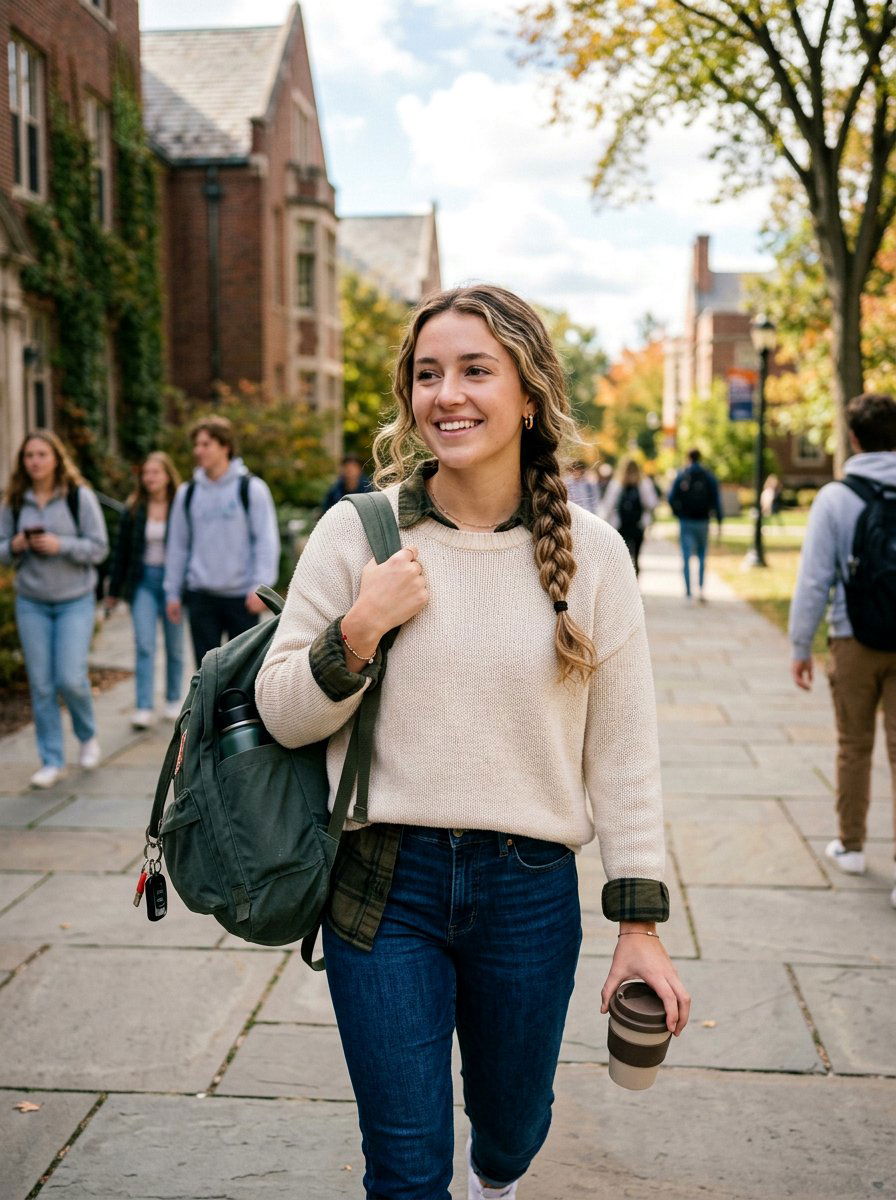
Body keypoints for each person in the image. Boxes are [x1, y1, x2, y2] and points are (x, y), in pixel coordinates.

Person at [256, 284, 689, 1200]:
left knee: (511, 1129)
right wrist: (359, 631)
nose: (445, 393)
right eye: (427, 374)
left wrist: (640, 925)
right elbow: (284, 711)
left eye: (474, 370)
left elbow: (624, 755)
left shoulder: (596, 555)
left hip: (528, 894)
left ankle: (499, 1180)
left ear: (528, 394)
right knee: (407, 1167)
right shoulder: (358, 532)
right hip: (382, 891)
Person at [789, 393, 896, 909]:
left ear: (853, 437)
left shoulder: (837, 497)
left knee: (854, 745)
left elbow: (815, 581)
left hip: (854, 638)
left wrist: (800, 645)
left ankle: (851, 846)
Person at [0, 430, 108, 788]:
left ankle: (87, 735)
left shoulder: (79, 497)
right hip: (31, 601)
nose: (35, 461)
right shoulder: (15, 501)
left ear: (56, 458)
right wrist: (15, 545)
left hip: (74, 599)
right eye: (29, 455)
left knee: (70, 678)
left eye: (42, 454)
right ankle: (51, 760)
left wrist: (60, 545)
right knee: (42, 684)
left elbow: (98, 548)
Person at [164, 416, 280, 667]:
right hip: (201, 596)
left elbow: (266, 541)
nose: (198, 451)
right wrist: (172, 591)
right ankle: (207, 710)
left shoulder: (251, 489)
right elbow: (178, 545)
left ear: (225, 446)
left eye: (206, 444)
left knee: (240, 675)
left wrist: (261, 587)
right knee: (206, 674)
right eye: (197, 445)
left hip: (241, 598)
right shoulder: (188, 493)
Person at [107, 452, 184, 729]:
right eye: (146, 473)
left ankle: (174, 699)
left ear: (167, 475)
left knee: (175, 646)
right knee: (144, 644)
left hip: (174, 582)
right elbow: (121, 553)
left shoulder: (181, 505)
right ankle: (143, 706)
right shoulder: (134, 508)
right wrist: (113, 590)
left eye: (156, 472)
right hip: (143, 582)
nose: (150, 478)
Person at [668, 448, 723, 602]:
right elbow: (716, 500)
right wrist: (719, 520)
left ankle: (688, 591)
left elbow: (671, 497)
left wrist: (678, 513)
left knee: (686, 556)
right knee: (701, 555)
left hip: (686, 520)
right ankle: (700, 588)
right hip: (703, 520)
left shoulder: (682, 475)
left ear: (688, 457)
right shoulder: (708, 476)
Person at [599, 459, 659, 575]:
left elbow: (607, 505)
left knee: (623, 557)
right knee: (636, 557)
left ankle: (624, 583)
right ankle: (635, 584)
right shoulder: (644, 484)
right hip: (638, 525)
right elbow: (652, 503)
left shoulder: (617, 484)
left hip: (621, 526)